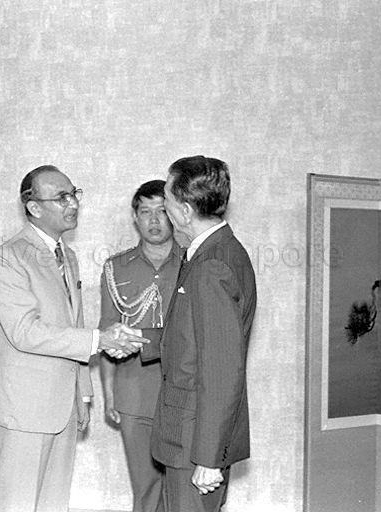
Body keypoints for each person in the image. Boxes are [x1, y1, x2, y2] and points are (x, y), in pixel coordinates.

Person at [0, 165, 148, 512]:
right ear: (34, 207)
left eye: (74, 193)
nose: (72, 203)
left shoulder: (67, 256)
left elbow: (71, 323)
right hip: (25, 410)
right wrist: (100, 341)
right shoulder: (9, 256)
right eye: (61, 197)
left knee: (53, 505)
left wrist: (83, 394)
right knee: (17, 504)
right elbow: (24, 332)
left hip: (63, 407)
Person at [139, 156, 257, 512]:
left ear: (186, 210)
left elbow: (222, 369)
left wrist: (207, 457)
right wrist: (138, 338)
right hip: (189, 437)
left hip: (194, 443)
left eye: (169, 203)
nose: (166, 212)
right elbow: (194, 338)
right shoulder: (215, 252)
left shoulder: (211, 266)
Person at [99, 180, 182, 512]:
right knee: (146, 490)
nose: (154, 220)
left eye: (162, 211)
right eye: (145, 212)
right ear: (135, 217)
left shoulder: (195, 262)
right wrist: (109, 394)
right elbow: (106, 335)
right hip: (134, 393)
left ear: (175, 214)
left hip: (184, 392)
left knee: (186, 488)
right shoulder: (116, 268)